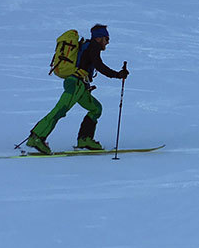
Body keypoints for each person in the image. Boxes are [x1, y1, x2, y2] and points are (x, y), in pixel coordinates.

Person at [27, 24, 129, 154]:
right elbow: (99, 65)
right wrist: (117, 75)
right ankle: (36, 137)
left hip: (80, 86)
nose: (107, 42)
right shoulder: (93, 46)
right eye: (106, 39)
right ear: (98, 38)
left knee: (96, 108)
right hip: (75, 84)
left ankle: (85, 139)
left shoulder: (87, 46)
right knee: (60, 110)